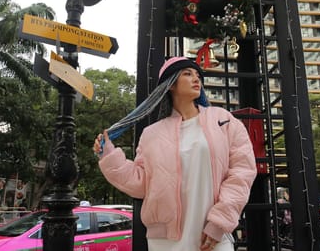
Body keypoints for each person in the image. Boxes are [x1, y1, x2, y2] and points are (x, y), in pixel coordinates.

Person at [93, 56, 257, 251]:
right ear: (170, 84)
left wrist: (220, 222)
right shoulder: (152, 134)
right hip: (166, 241)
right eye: (187, 74)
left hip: (213, 236)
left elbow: (242, 173)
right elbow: (141, 183)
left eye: (197, 74)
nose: (196, 79)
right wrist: (108, 155)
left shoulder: (224, 121)